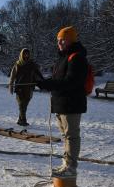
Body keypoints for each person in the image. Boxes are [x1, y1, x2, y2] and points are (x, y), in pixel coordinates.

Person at [37, 26, 88, 177]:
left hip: (72, 103)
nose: (59, 43)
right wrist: (44, 82)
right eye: (58, 40)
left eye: (62, 40)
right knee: (65, 136)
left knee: (71, 135)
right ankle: (66, 164)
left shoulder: (77, 57)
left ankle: (71, 167)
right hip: (61, 103)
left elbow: (71, 82)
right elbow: (58, 79)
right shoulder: (63, 57)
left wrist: (49, 84)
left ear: (70, 41)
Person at [8, 48, 43, 126]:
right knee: (21, 104)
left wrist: (44, 83)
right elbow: (12, 76)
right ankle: (23, 121)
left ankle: (20, 119)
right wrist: (10, 85)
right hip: (19, 88)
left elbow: (38, 74)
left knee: (25, 105)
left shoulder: (32, 64)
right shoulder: (18, 64)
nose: (26, 55)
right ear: (21, 54)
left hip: (29, 88)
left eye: (27, 53)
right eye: (25, 53)